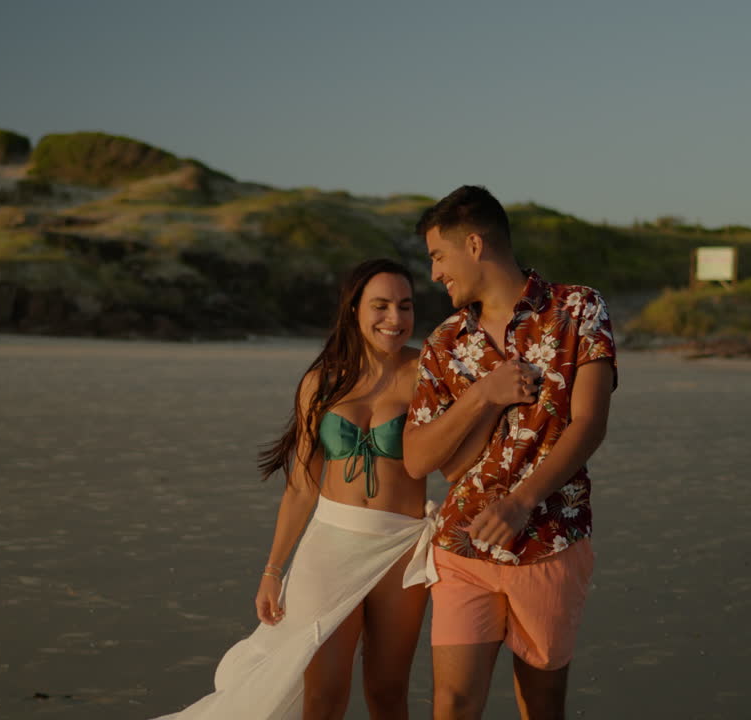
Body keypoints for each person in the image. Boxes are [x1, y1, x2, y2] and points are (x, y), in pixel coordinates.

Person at [154, 258, 440, 720]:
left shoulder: (428, 369)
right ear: (354, 310)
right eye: (381, 305)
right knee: (324, 694)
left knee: (388, 692)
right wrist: (272, 569)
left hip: (400, 548)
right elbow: (302, 487)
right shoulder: (322, 381)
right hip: (330, 545)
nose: (395, 319)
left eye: (405, 306)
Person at [402, 186, 617, 720]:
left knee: (540, 706)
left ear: (474, 245)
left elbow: (588, 424)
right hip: (462, 548)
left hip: (547, 539)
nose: (433, 274)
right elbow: (418, 459)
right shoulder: (445, 343)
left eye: (437, 256)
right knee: (451, 704)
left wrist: (522, 500)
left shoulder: (577, 308)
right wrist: (484, 394)